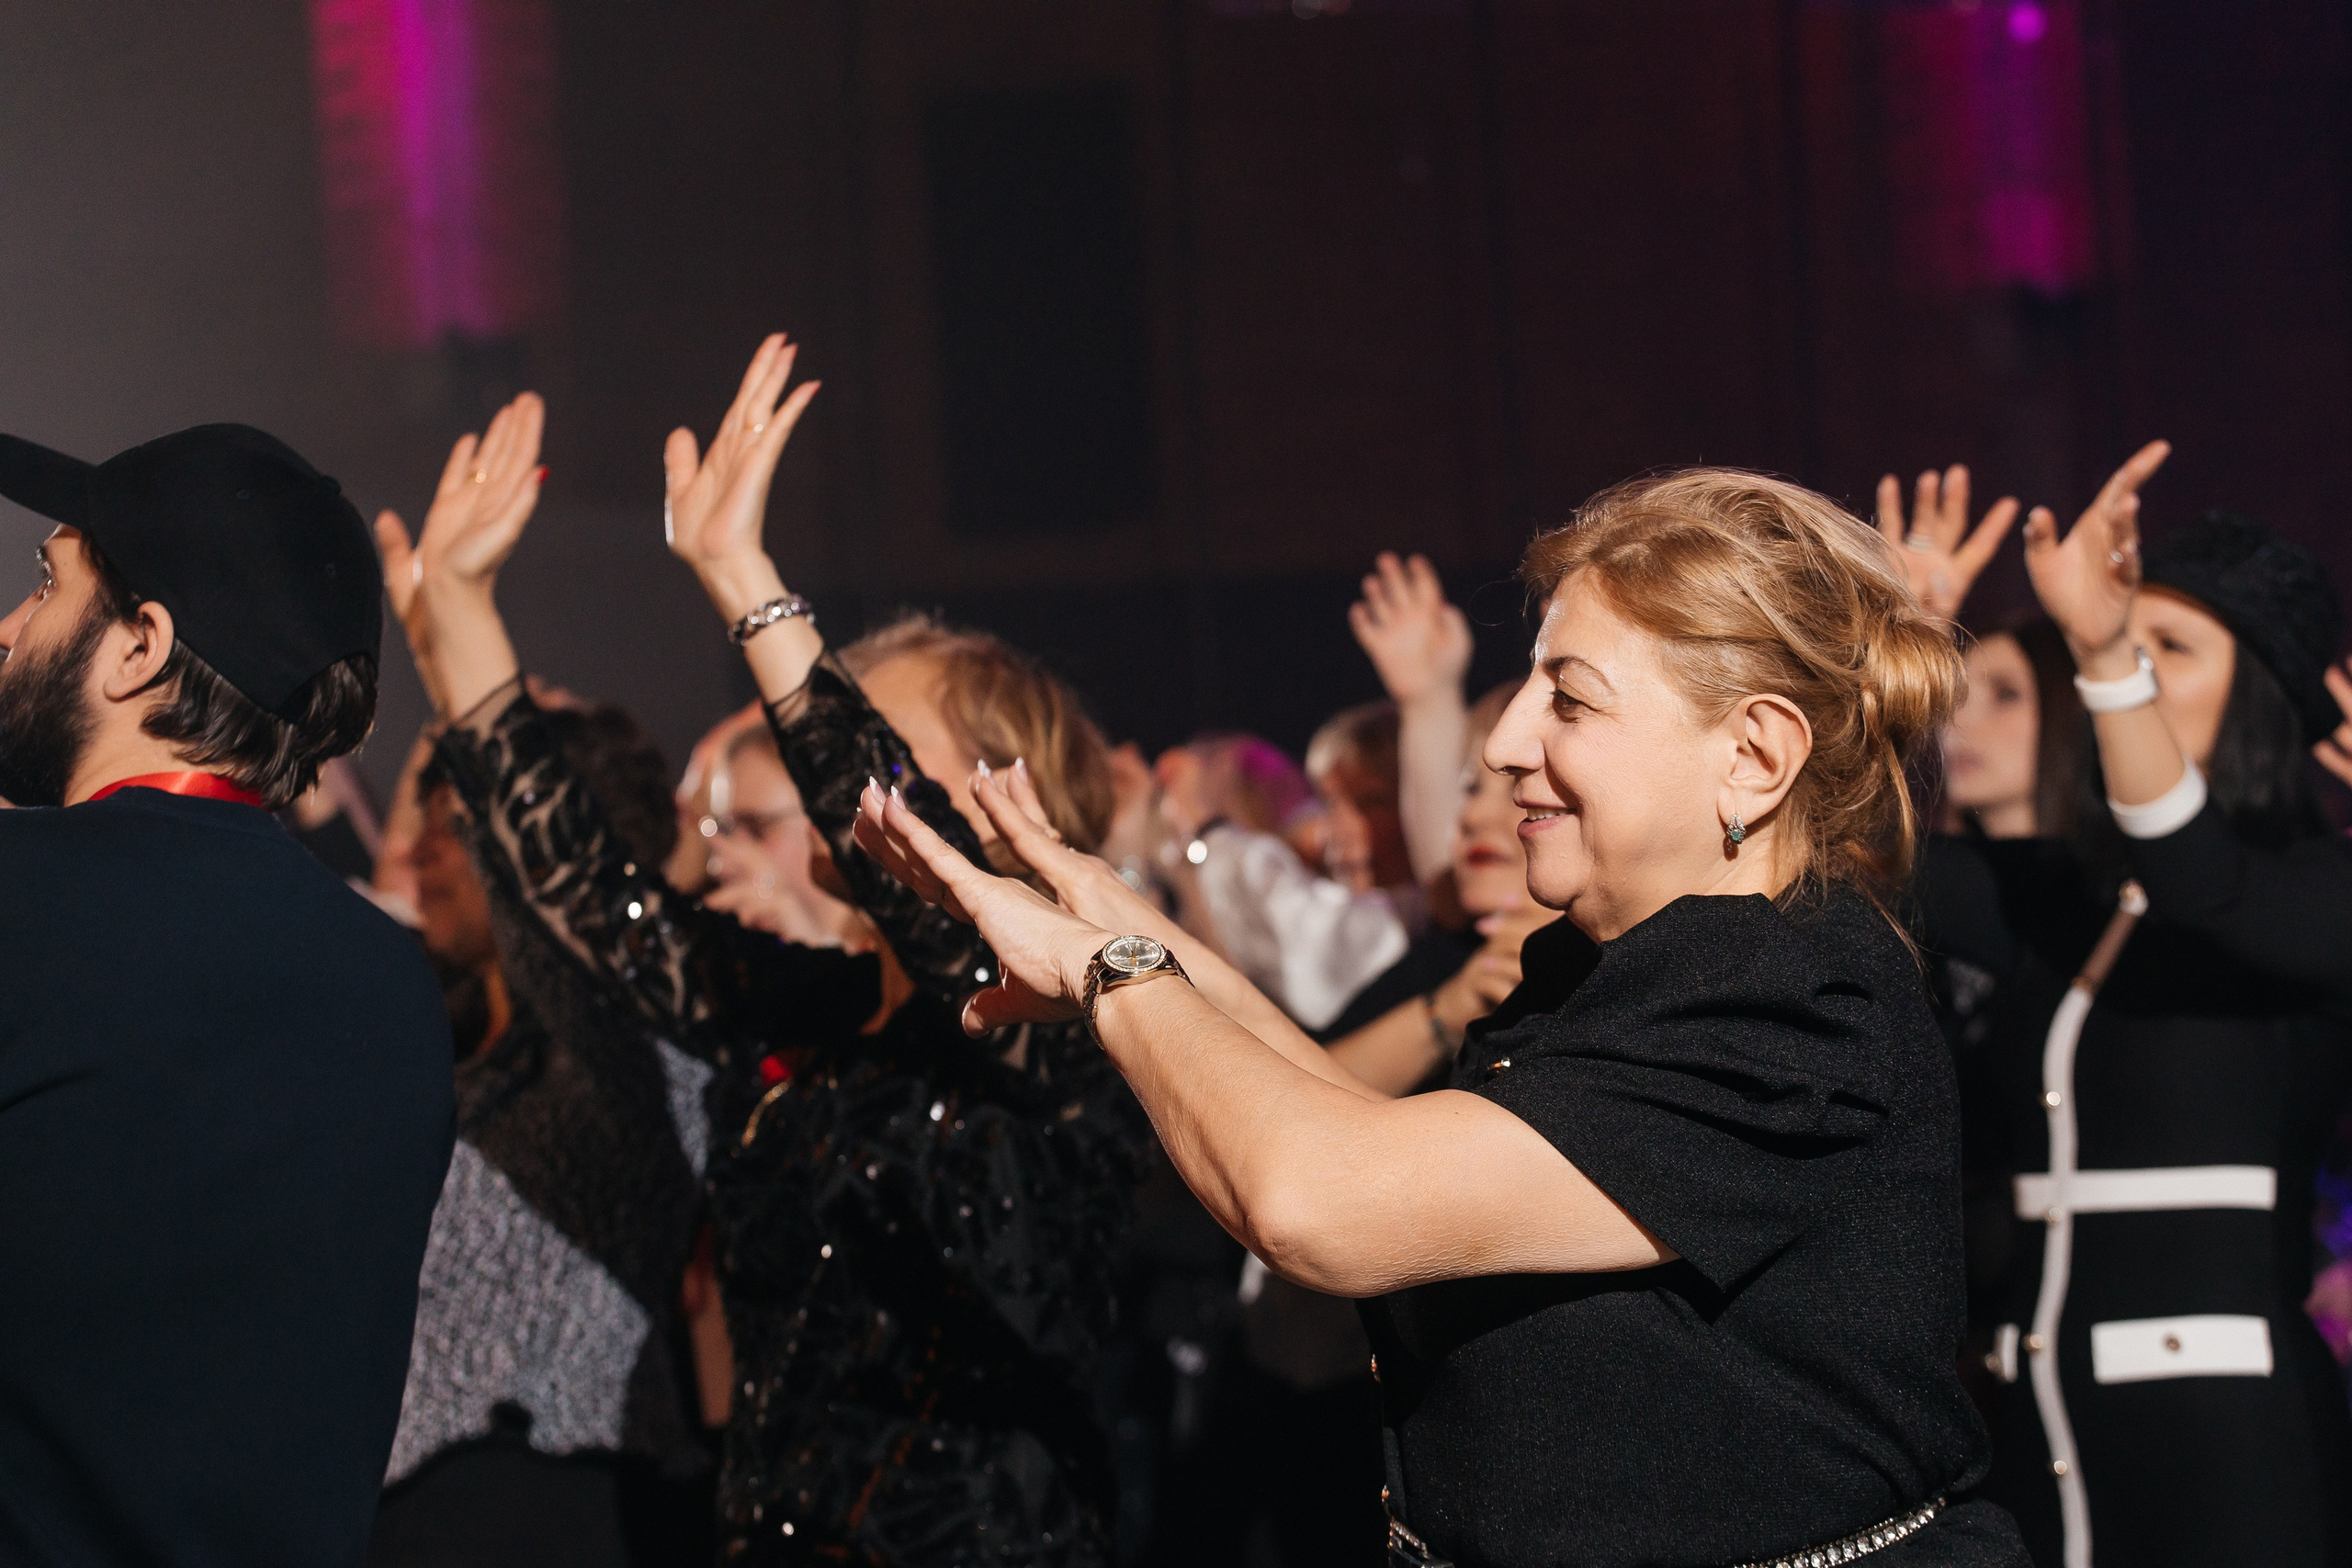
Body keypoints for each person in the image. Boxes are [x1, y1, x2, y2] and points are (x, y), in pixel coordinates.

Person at [857, 468, 2030, 1567]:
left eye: (1567, 699)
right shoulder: (1627, 970)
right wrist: (1139, 941)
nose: (1506, 742)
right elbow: (1351, 1124)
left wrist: (1113, 969)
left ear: (1754, 754)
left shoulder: (1790, 1009)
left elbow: (1317, 1199)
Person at [382, 347, 1152, 1567]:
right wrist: (462, 609)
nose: (822, 774)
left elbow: (936, 895)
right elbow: (585, 887)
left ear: (1014, 790)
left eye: (858, 737)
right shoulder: (809, 1007)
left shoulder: (1083, 1022)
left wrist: (743, 573)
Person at [0, 424, 454, 1565]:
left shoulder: (28, 906)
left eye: (49, 584)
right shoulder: (394, 980)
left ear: (139, 647)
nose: (9, 627)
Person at [1915, 442, 2352, 1568]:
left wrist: (2105, 655)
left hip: (2225, 1443)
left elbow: (2207, 883)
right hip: (2038, 1427)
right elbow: (1874, 854)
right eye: (2118, 643)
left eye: (2171, 647)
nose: (2128, 668)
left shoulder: (2316, 884)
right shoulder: (2068, 890)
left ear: (2263, 692)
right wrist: (1899, 656)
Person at [369, 701, 715, 1568]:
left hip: (563, 1509)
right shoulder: (450, 1043)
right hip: (411, 1520)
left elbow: (560, 940)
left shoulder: (632, 1052)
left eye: (456, 829)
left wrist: (460, 645)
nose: (418, 850)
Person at [1940, 616, 2086, 841]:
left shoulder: (2139, 868)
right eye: (1952, 699)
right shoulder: (1919, 869)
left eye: (2005, 695)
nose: (1957, 722)